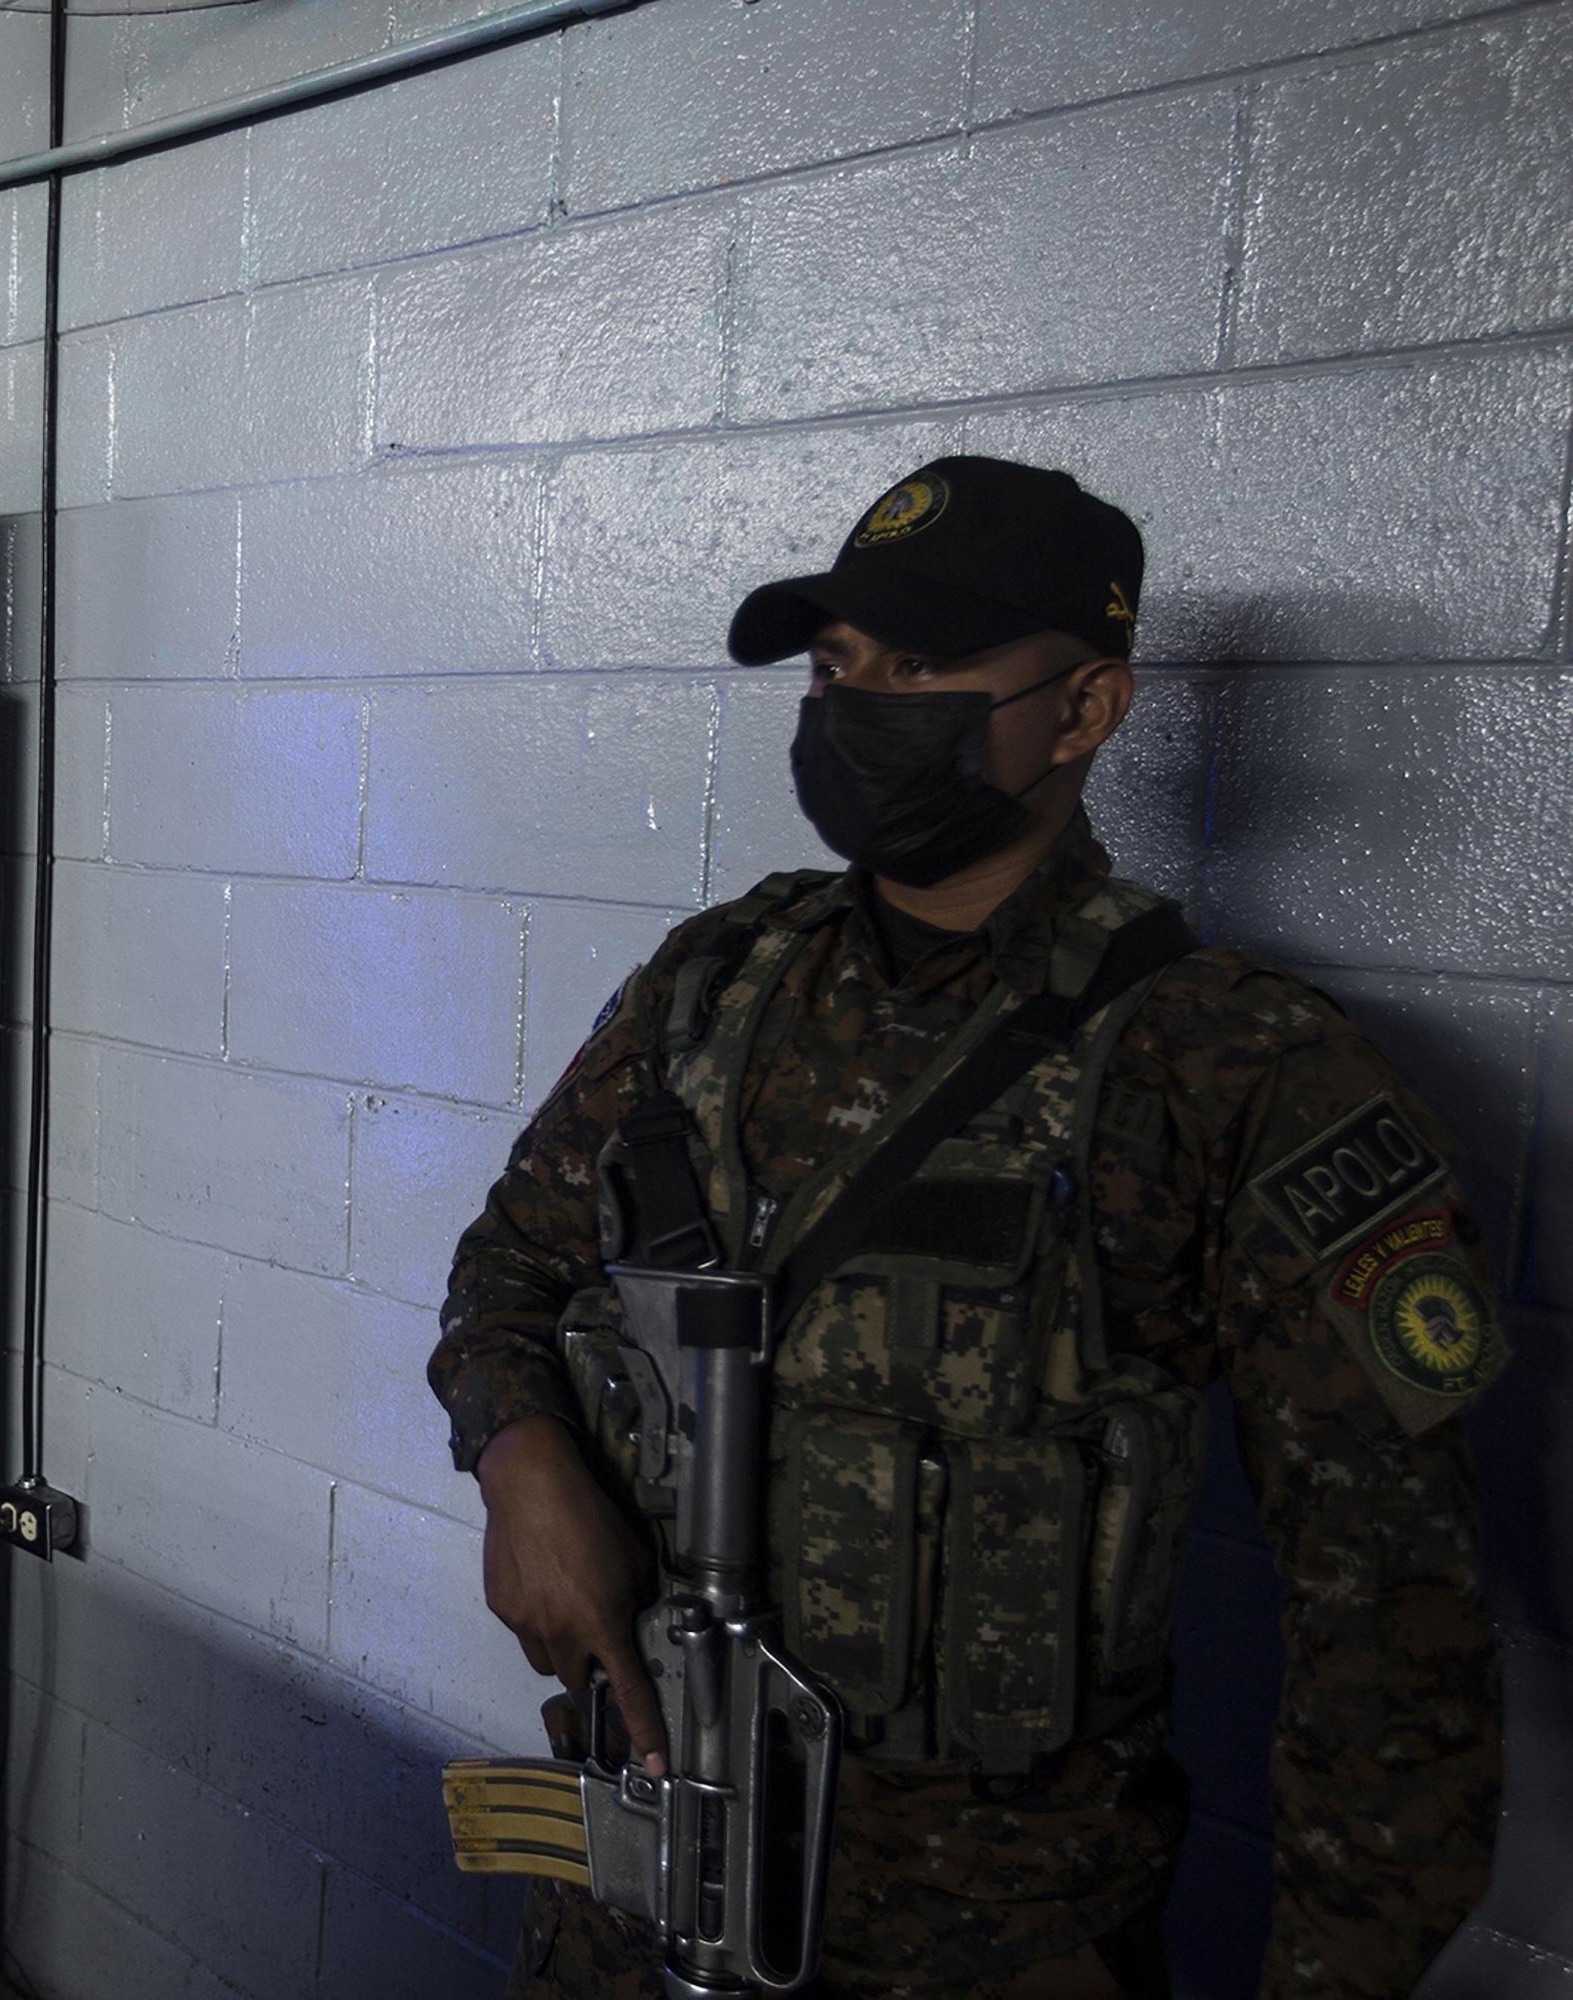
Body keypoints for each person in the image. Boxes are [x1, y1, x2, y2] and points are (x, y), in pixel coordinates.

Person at [434, 457, 1503, 1999]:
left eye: (922, 666)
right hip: (639, 1890)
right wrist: (519, 1465)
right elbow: (510, 1270)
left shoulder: (1231, 1065)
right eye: (837, 666)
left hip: (987, 1946)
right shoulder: (711, 987)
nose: (860, 703)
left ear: (1086, 712)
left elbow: (1393, 1617)